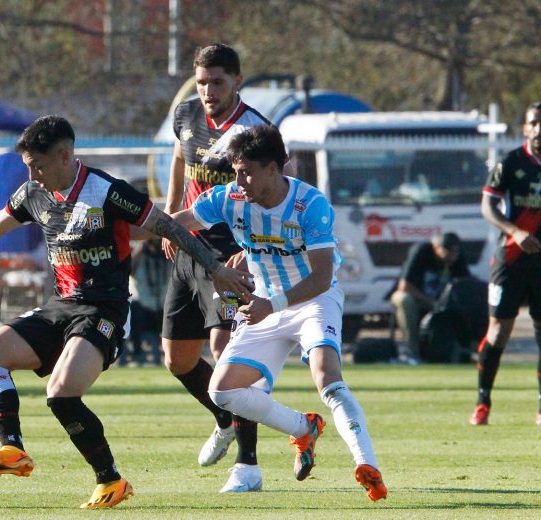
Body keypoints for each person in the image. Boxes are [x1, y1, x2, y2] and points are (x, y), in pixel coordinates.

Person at [0, 115, 251, 509]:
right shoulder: (34, 194)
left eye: (37, 164)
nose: (31, 174)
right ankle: (13, 449)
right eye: (27, 166)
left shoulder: (108, 191)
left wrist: (217, 268)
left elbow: (168, 227)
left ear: (65, 156)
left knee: (62, 394)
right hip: (61, 307)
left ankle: (110, 480)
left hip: (105, 311)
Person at [172, 125, 387, 501]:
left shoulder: (311, 204)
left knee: (327, 377)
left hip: (312, 301)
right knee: (221, 391)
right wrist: (140, 222)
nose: (239, 181)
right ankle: (303, 428)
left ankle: (366, 464)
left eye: (247, 172)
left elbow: (322, 276)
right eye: (235, 171)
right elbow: (181, 219)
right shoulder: (230, 197)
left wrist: (273, 304)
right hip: (265, 306)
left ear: (275, 168)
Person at [161, 43, 274, 492]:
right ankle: (225, 419)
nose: (208, 90)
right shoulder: (186, 115)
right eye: (202, 81)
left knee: (227, 351)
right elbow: (179, 159)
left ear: (238, 81)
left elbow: (275, 192)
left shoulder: (257, 130)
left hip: (233, 257)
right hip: (189, 249)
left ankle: (248, 467)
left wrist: (254, 248)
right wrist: (170, 216)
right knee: (178, 359)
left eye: (218, 82)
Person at [469, 101, 541, 426]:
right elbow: (488, 205)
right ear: (525, 128)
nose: (539, 130)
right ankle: (483, 402)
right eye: (534, 123)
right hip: (510, 259)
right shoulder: (511, 162)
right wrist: (516, 231)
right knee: (498, 331)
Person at [390, 232, 470, 364]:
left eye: (455, 253)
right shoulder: (422, 251)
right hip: (415, 297)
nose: (452, 256)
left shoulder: (456, 258)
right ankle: (412, 352)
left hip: (440, 302)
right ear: (436, 247)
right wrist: (431, 303)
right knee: (404, 300)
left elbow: (465, 283)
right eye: (448, 251)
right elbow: (404, 286)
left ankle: (461, 351)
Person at [119, 239, 169, 366]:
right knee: (133, 309)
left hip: (162, 306)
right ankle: (137, 352)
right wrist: (142, 245)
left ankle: (170, 351)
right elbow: (127, 269)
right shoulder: (140, 257)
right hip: (143, 305)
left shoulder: (166, 258)